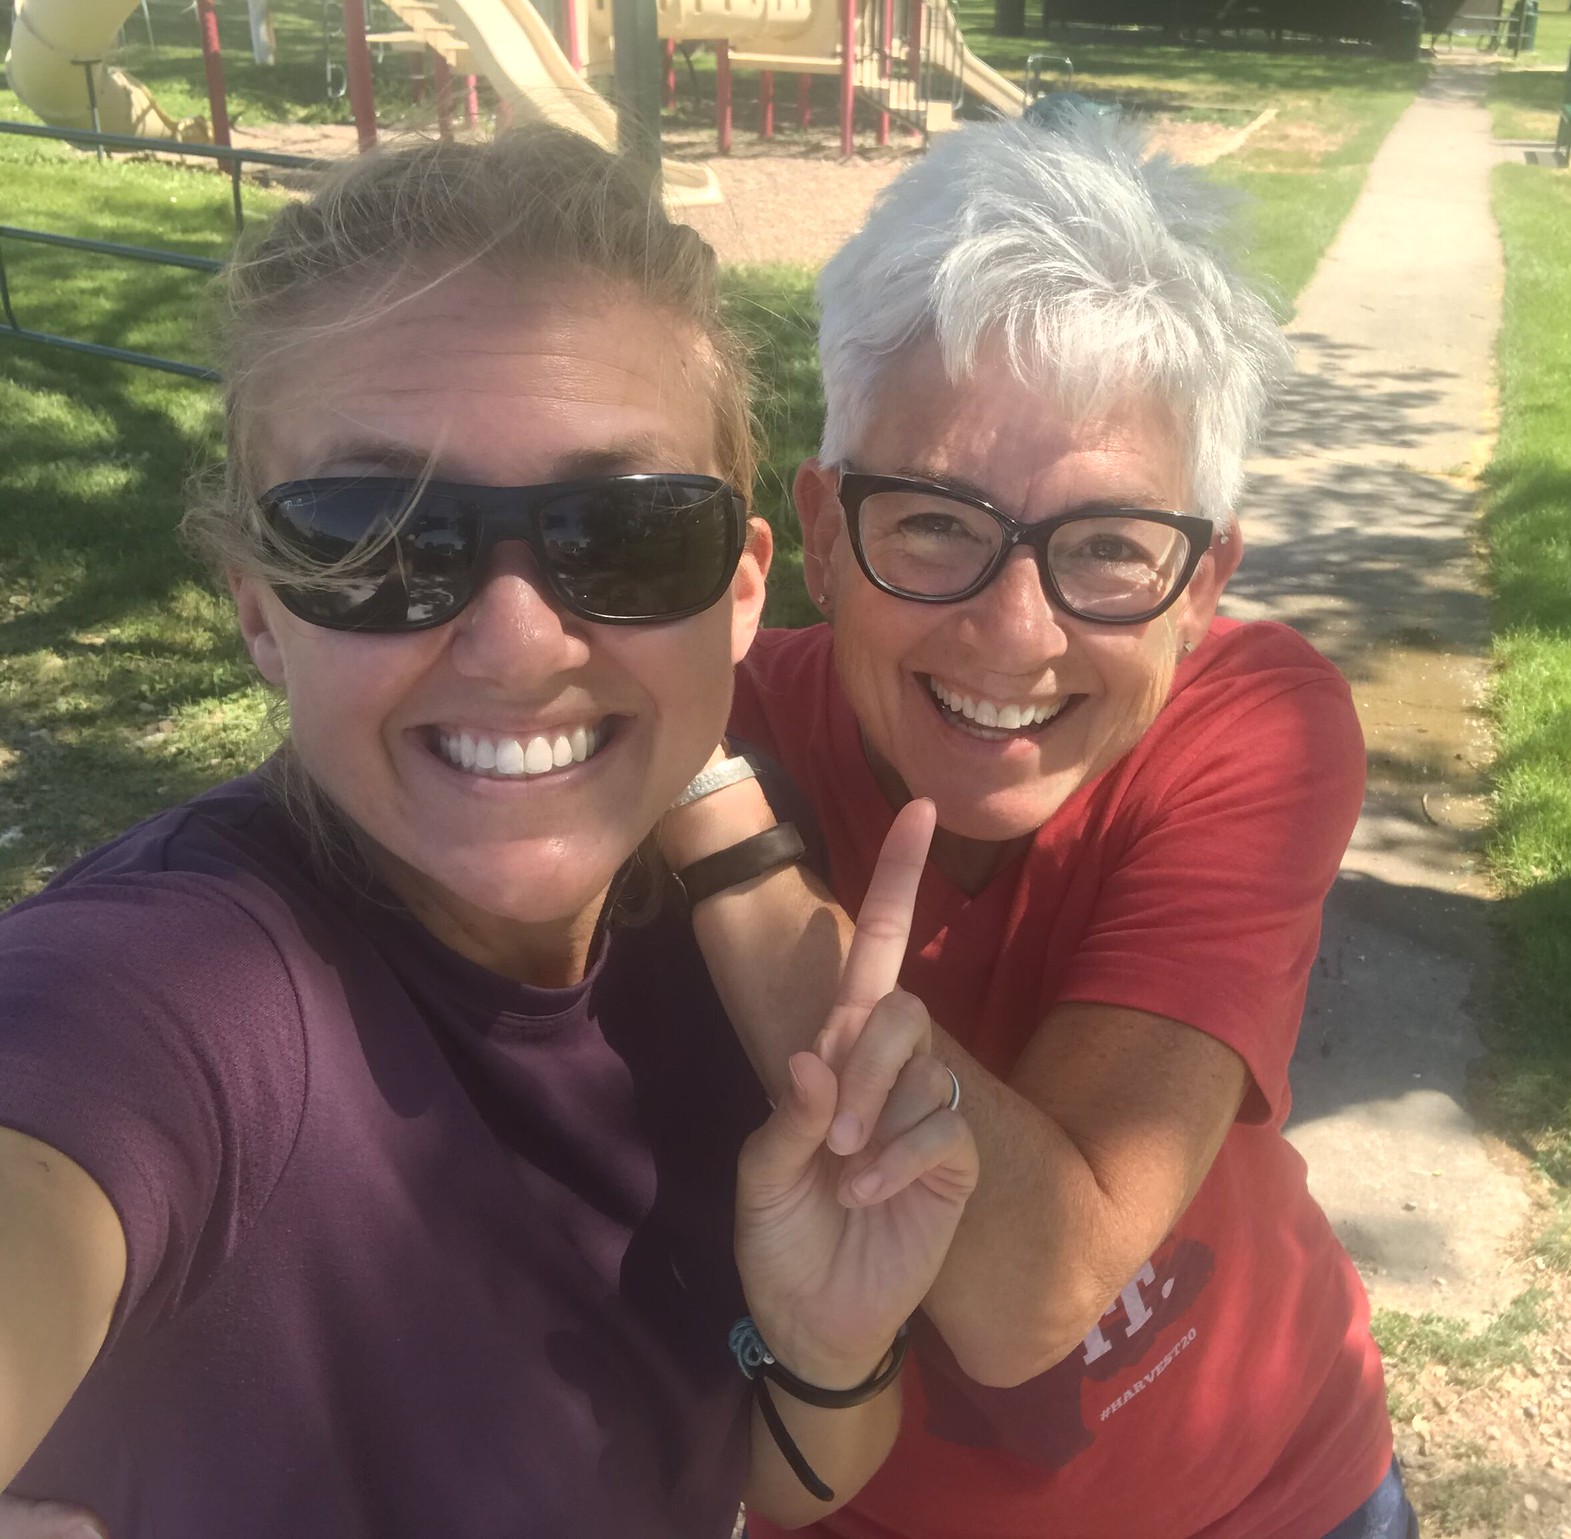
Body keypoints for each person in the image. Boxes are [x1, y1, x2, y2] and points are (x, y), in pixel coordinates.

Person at [0, 128, 975, 1539]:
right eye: (382, 538)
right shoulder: (173, 991)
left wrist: (826, 1344)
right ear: (261, 612)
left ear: (742, 591)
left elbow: (779, 1477)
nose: (517, 644)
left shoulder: (714, 953)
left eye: (625, 535)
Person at [659, 111, 1413, 1539]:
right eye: (935, 523)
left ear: (1202, 589)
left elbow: (1033, 1295)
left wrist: (725, 839)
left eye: (1112, 548)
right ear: (821, 532)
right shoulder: (700, 711)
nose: (1016, 635)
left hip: (1275, 1498)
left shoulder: (1255, 719)